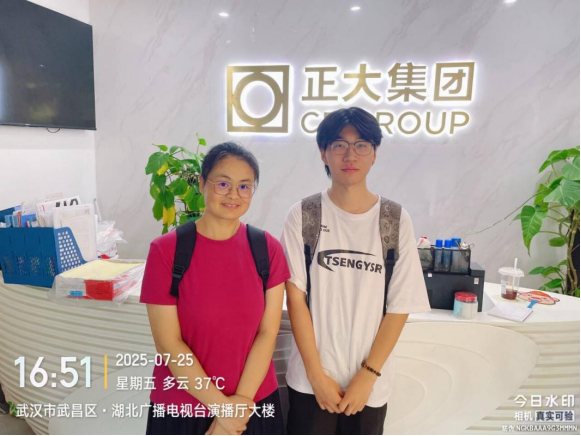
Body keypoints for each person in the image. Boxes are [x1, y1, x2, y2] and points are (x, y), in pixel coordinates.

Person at [281, 107, 432, 435]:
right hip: (310, 383)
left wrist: (367, 376)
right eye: (339, 145)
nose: (350, 155)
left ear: (374, 153)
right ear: (323, 152)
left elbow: (399, 306)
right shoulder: (304, 214)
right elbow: (295, 298)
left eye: (361, 144)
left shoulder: (394, 219)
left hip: (369, 387)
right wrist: (316, 376)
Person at [141, 142, 290, 435]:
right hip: (183, 407)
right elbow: (168, 344)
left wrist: (234, 413)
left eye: (244, 186)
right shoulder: (166, 250)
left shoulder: (267, 249)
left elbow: (267, 333)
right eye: (223, 184)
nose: (234, 194)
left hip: (252, 404)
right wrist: (223, 409)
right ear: (201, 183)